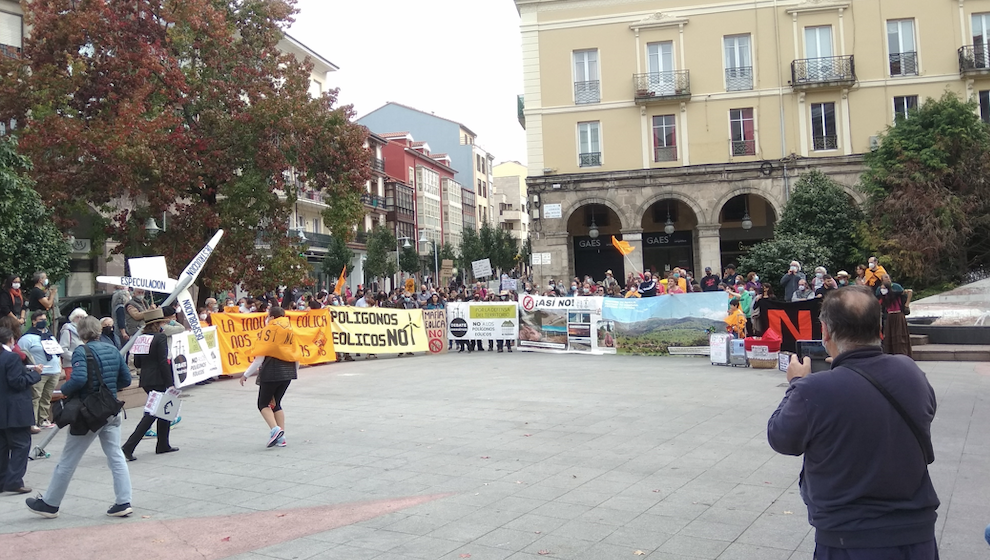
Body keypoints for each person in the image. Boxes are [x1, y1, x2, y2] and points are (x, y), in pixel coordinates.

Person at [768, 286, 939, 559]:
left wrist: (796, 383)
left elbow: (781, 438)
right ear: (879, 328)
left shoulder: (813, 389)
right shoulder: (910, 371)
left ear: (825, 331)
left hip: (849, 539)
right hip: (917, 535)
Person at [26, 316, 133, 519]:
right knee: (116, 456)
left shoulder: (81, 351)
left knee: (68, 459)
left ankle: (50, 503)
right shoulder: (111, 349)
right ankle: (123, 501)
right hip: (110, 408)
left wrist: (63, 391)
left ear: (80, 333)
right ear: (99, 331)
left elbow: (79, 378)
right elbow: (126, 379)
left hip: (88, 413)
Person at [120, 309, 179, 461]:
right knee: (152, 414)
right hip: (158, 379)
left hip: (146, 378)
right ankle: (128, 447)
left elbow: (137, 362)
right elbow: (162, 362)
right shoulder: (160, 337)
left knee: (164, 411)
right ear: (158, 324)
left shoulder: (141, 338)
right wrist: (170, 384)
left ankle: (163, 444)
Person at [240, 306, 297, 448]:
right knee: (276, 403)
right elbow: (296, 354)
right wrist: (294, 372)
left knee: (263, 404)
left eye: (268, 316)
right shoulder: (290, 330)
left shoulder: (268, 332)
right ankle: (281, 438)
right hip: (288, 373)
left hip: (271, 372)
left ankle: (275, 429)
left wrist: (246, 374)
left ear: (271, 317)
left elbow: (259, 358)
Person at [0, 326, 42, 494]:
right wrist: (35, 374)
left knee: (2, 447)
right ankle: (14, 480)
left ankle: (2, 480)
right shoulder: (11, 358)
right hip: (15, 410)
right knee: (21, 445)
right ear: (10, 340)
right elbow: (17, 382)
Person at [18, 311, 62, 431]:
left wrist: (59, 366)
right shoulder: (27, 338)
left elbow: (57, 353)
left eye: (44, 319)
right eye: (40, 319)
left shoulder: (50, 336)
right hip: (39, 372)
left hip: (54, 371)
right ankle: (33, 422)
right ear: (33, 322)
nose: (43, 321)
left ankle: (43, 419)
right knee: (35, 397)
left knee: (46, 397)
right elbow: (22, 355)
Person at [877, 274, 913, 358]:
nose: (882, 290)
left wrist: (906, 305)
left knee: (900, 336)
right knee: (889, 336)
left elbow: (910, 291)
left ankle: (902, 355)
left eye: (883, 288)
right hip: (890, 316)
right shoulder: (883, 297)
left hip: (898, 315)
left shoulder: (896, 293)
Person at [59, 308, 87, 378]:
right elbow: (62, 349)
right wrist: (76, 357)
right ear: (72, 318)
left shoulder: (86, 330)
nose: (80, 319)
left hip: (85, 364)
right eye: (77, 317)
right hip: (71, 365)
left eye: (82, 317)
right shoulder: (67, 330)